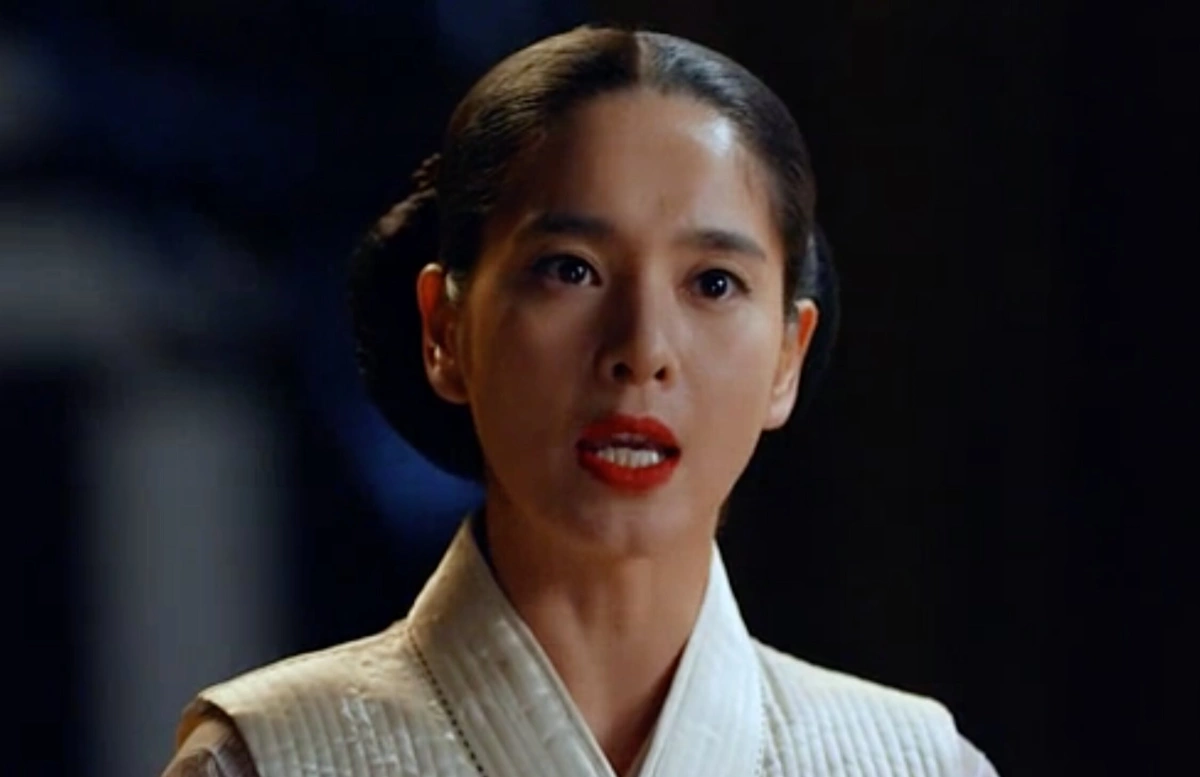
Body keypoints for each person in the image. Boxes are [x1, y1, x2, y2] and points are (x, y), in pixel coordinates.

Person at [161, 25, 999, 777]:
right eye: (570, 269)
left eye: (713, 283)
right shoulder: (269, 758)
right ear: (445, 329)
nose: (642, 348)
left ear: (788, 355)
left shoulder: (918, 762)